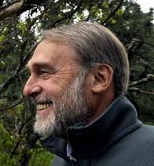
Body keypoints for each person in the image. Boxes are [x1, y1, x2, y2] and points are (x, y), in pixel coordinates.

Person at [23, 21, 154, 166]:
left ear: (99, 79)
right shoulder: (63, 158)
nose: (27, 89)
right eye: (31, 74)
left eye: (44, 72)